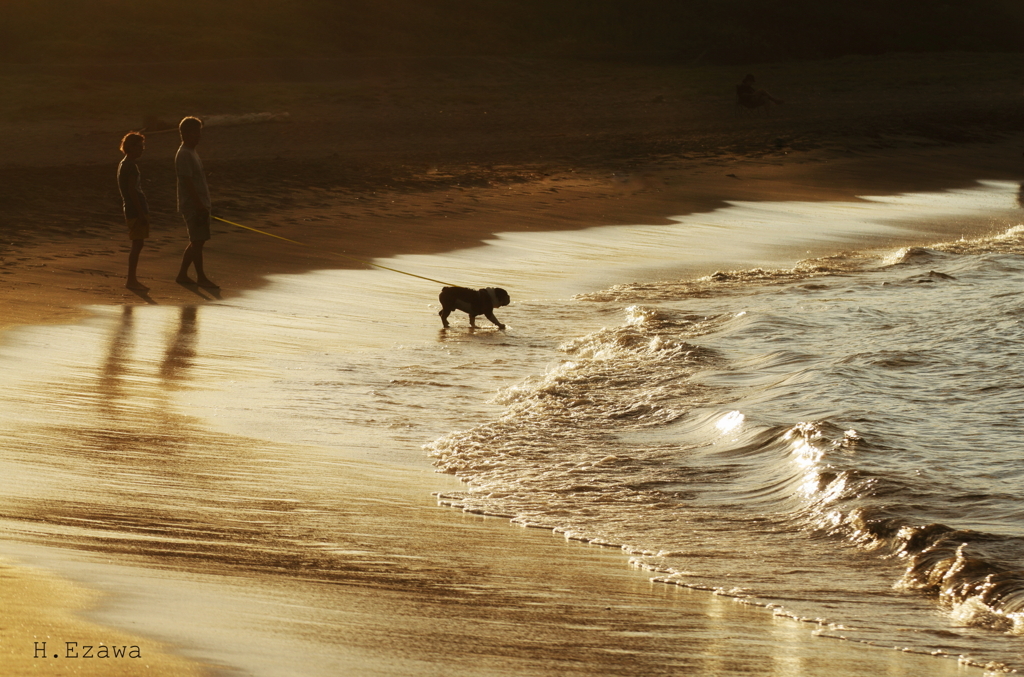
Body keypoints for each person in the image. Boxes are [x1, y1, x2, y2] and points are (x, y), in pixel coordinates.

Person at [174, 116, 217, 287]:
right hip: (193, 205)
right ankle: (201, 277)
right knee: (197, 241)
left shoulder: (191, 151)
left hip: (200, 203)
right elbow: (187, 182)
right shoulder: (184, 153)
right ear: (184, 134)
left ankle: (183, 275)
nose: (198, 136)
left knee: (197, 240)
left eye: (199, 133)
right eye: (195, 133)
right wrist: (199, 205)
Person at [117, 131, 149, 290]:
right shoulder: (129, 166)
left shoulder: (126, 164)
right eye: (139, 146)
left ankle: (132, 279)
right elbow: (131, 191)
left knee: (138, 243)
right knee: (137, 244)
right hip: (134, 210)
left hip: (133, 209)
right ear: (130, 147)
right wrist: (141, 213)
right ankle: (131, 280)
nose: (142, 149)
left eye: (142, 146)